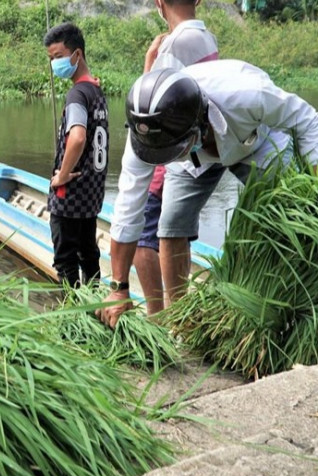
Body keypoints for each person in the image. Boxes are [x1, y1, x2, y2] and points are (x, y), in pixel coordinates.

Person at [97, 60, 318, 328]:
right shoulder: (147, 139)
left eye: (172, 149)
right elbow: (127, 210)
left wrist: (312, 182)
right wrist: (118, 286)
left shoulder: (248, 95)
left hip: (254, 143)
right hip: (190, 160)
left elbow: (307, 121)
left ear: (199, 124)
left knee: (284, 219)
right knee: (171, 225)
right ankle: (179, 321)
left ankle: (281, 306)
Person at [135, 0, 219, 315]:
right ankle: (180, 312)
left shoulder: (172, 47)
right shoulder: (206, 37)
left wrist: (148, 66)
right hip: (204, 149)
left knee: (145, 236)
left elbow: (154, 108)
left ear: (159, 1)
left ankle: (160, 319)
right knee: (179, 233)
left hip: (173, 153)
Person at [43, 22, 109, 287]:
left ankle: (71, 313)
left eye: (58, 56)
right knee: (89, 254)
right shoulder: (96, 91)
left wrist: (62, 175)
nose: (54, 63)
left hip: (70, 195)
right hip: (91, 194)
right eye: (51, 59)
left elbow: (78, 137)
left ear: (77, 55)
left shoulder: (77, 95)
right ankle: (92, 304)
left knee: (65, 260)